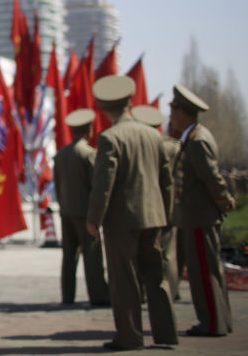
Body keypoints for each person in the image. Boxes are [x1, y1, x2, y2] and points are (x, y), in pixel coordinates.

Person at [86, 76, 177, 350]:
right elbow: (167, 180)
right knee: (156, 277)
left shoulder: (110, 137)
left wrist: (94, 219)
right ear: (130, 102)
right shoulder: (153, 134)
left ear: (104, 108)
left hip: (123, 221)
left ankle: (129, 336)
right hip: (154, 217)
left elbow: (104, 184)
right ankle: (166, 334)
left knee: (124, 280)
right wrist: (166, 214)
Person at [168, 84, 234, 337]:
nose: (171, 118)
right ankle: (219, 320)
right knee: (208, 271)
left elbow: (211, 177)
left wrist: (224, 200)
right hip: (196, 216)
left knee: (203, 273)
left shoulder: (197, 141)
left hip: (199, 217)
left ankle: (212, 323)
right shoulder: (193, 138)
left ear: (183, 113)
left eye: (173, 112)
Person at [54, 108, 109, 306]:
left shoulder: (60, 155)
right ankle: (98, 295)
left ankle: (67, 295)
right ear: (89, 130)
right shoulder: (88, 154)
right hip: (85, 214)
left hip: (66, 212)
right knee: (92, 256)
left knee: (69, 256)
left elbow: (58, 186)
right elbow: (96, 186)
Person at [131, 105, 182, 302]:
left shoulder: (142, 146)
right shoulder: (171, 146)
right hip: (168, 204)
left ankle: (143, 291)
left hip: (146, 205)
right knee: (168, 252)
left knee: (142, 254)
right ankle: (171, 290)